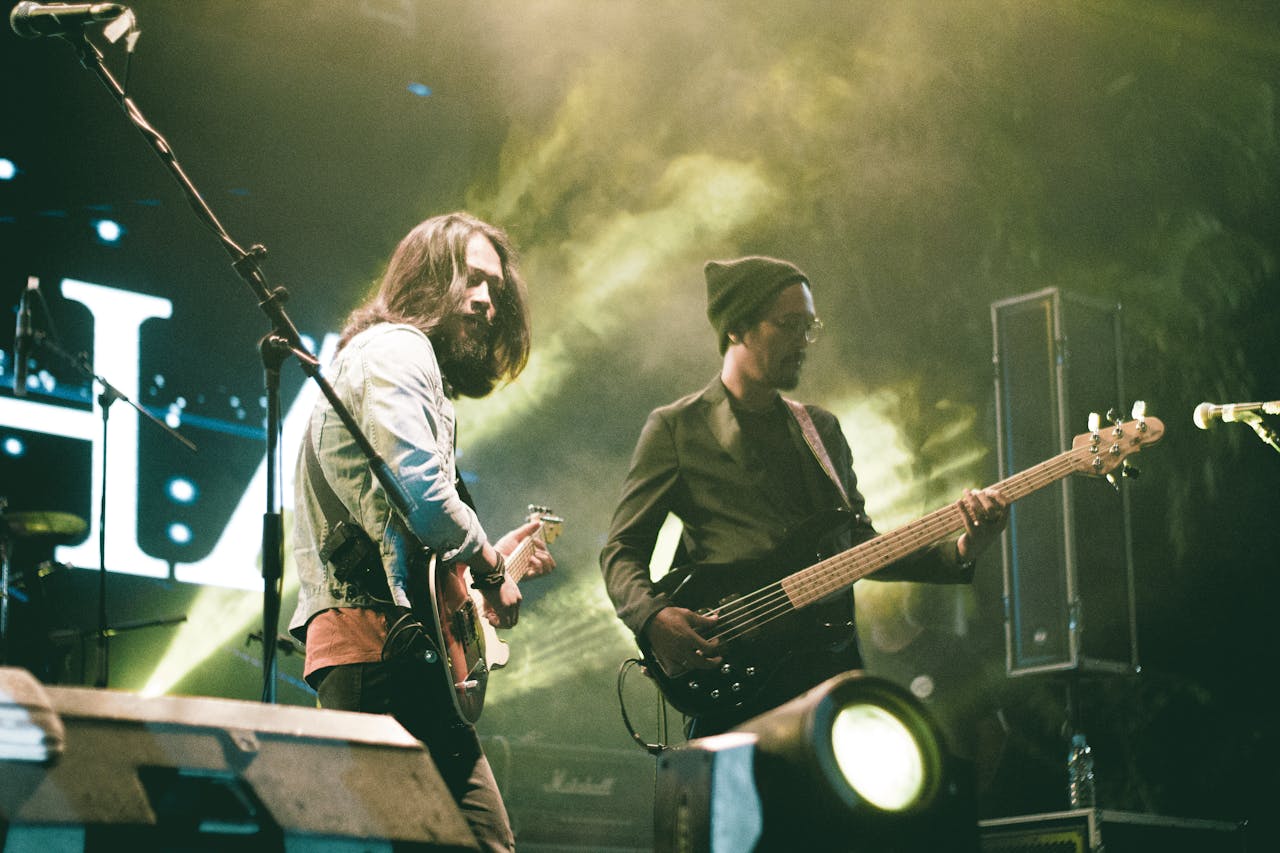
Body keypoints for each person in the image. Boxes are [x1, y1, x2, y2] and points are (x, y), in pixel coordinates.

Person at [600, 255, 1008, 737]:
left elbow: (857, 546)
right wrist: (653, 618)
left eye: (809, 327)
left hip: (825, 678)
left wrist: (962, 549)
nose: (803, 342)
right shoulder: (676, 428)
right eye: (790, 325)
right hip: (735, 677)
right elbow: (622, 551)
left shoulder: (822, 430)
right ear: (737, 327)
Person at [290, 212, 555, 852]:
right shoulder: (397, 350)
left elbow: (410, 531)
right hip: (377, 653)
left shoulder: (401, 362)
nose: (487, 299)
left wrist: (488, 571)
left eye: (495, 287)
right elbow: (426, 500)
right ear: (425, 278)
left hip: (404, 656)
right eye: (469, 279)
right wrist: (491, 569)